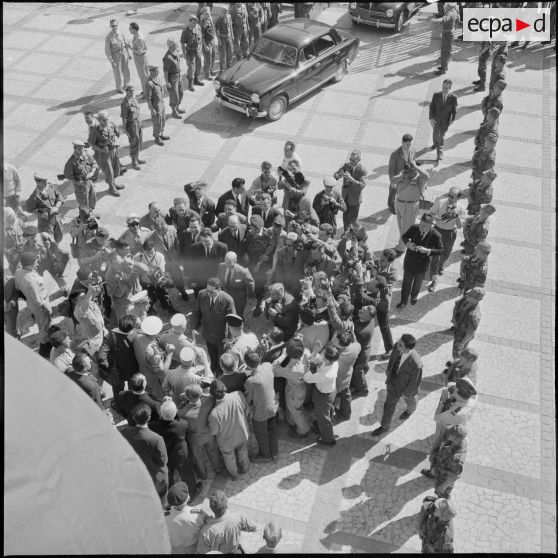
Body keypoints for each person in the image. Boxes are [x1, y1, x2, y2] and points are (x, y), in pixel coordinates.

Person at [149, 398, 202, 501]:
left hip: (164, 457)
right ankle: (192, 492)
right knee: (187, 475)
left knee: (168, 477)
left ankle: (173, 495)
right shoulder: (182, 424)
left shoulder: (153, 426)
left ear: (161, 413)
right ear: (175, 412)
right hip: (180, 456)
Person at [372, 334, 423, 436]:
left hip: (405, 388)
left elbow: (415, 382)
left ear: (407, 348)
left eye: (400, 345)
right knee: (388, 406)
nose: (397, 345)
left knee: (411, 400)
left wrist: (407, 393)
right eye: (399, 342)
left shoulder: (416, 364)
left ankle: (410, 410)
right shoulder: (397, 347)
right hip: (393, 385)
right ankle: (385, 426)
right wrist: (388, 369)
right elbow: (393, 358)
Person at [121, 403, 168, 506]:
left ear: (133, 417)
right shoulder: (156, 438)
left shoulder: (124, 432)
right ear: (149, 418)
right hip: (154, 476)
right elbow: (163, 461)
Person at [397, 214, 443, 308]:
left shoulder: (436, 235)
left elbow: (441, 250)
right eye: (421, 224)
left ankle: (414, 297)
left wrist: (428, 251)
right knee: (406, 283)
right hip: (409, 261)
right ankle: (403, 301)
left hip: (422, 265)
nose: (421, 227)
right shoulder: (414, 227)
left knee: (417, 284)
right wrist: (408, 244)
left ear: (431, 226)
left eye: (424, 226)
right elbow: (404, 236)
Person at [208, 379, 250, 480]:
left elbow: (214, 431)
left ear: (212, 395)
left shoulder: (213, 414)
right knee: (243, 451)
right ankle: (245, 468)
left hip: (227, 441)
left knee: (229, 458)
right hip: (242, 433)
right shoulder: (238, 394)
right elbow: (247, 411)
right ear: (224, 388)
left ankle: (234, 475)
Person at [191, 277, 236, 372]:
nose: (208, 294)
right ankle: (213, 366)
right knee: (211, 353)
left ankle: (220, 370)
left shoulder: (227, 300)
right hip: (207, 332)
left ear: (219, 289)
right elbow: (196, 312)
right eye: (207, 291)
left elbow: (232, 320)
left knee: (221, 354)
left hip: (221, 336)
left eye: (211, 292)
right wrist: (194, 327)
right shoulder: (201, 294)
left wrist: (230, 338)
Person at [179, 384, 223, 479]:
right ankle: (218, 468)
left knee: (198, 456)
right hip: (208, 433)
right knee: (213, 451)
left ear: (187, 396)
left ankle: (203, 475)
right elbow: (211, 396)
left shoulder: (183, 412)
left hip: (195, 438)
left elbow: (178, 414)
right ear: (201, 394)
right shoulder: (209, 401)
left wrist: (183, 403)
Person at [427, 187, 466, 293]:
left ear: (458, 198)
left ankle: (441, 266)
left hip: (450, 233)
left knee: (446, 253)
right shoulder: (440, 202)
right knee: (435, 255)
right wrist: (434, 218)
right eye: (449, 195)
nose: (449, 198)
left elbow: (459, 226)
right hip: (437, 230)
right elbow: (430, 214)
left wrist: (456, 216)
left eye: (452, 196)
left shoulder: (461, 208)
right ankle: (433, 279)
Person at [15, 252, 52, 357]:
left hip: (30, 301)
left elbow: (18, 287)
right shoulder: (32, 280)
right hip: (40, 306)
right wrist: (48, 311)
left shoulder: (19, 272)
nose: (37, 263)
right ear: (29, 264)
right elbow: (38, 301)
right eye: (35, 261)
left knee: (41, 322)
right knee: (44, 327)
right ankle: (44, 350)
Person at [273, 338, 312, 438]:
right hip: (301, 387)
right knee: (297, 407)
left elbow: (274, 370)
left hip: (294, 391)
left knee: (296, 411)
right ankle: (292, 421)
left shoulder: (292, 369)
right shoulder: (306, 352)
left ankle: (303, 430)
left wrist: (283, 355)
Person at [244, 352, 278, 461]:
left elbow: (248, 399)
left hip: (260, 412)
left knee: (261, 435)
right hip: (272, 406)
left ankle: (265, 455)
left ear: (247, 364)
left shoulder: (251, 381)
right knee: (272, 430)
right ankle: (275, 453)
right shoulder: (267, 366)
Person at [98, 314, 140, 401]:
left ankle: (119, 404)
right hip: (133, 369)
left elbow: (101, 357)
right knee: (133, 390)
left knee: (117, 390)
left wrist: (108, 368)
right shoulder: (136, 336)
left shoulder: (110, 336)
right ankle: (132, 403)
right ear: (132, 328)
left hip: (117, 370)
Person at [421, 424, 467, 499]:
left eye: (450, 435)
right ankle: (432, 473)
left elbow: (455, 476)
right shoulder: (453, 434)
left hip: (445, 475)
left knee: (442, 492)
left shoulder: (458, 458)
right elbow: (440, 442)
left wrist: (443, 486)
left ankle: (441, 500)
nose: (447, 435)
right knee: (435, 469)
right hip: (440, 464)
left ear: (456, 439)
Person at [135, 316, 175, 401]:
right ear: (156, 333)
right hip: (155, 384)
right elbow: (162, 372)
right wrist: (169, 354)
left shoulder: (137, 337)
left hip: (143, 374)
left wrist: (169, 325)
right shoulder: (154, 353)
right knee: (161, 401)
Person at [134, 238, 177, 314]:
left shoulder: (159, 256)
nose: (150, 254)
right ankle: (152, 314)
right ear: (143, 250)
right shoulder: (138, 257)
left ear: (155, 248)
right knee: (149, 302)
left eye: (152, 252)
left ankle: (170, 309)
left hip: (158, 283)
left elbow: (162, 271)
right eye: (147, 252)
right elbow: (136, 272)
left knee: (165, 297)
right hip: (146, 284)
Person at [89, 110, 125, 196]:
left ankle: (114, 183)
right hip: (104, 155)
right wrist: (101, 149)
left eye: (107, 119)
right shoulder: (96, 131)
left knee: (116, 170)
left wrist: (116, 139)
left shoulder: (112, 125)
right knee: (109, 172)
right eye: (103, 120)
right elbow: (91, 143)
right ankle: (111, 187)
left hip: (114, 152)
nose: (106, 121)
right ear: (99, 120)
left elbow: (118, 134)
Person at [165, 482, 208, 553]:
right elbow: (206, 526)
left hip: (174, 549)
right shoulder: (197, 514)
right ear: (188, 498)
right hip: (192, 547)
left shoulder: (164, 515)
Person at [432, 377, 478, 444]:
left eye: (455, 390)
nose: (453, 392)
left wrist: (443, 401)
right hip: (460, 422)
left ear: (460, 396)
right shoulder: (473, 397)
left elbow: (437, 418)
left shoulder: (455, 413)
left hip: (448, 429)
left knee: (439, 438)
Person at [24, 173, 64, 242]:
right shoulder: (34, 197)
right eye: (44, 181)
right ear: (37, 181)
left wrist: (56, 207)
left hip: (56, 219)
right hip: (45, 224)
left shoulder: (51, 186)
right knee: (47, 242)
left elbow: (60, 197)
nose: (46, 183)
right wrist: (40, 215)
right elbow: (28, 209)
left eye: (46, 181)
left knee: (59, 237)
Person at [333, 150, 367, 230]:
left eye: (354, 160)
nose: (351, 162)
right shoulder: (346, 166)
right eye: (350, 159)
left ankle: (358, 232)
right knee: (345, 216)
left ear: (359, 160)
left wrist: (351, 179)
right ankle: (346, 233)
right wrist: (338, 175)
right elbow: (336, 175)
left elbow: (362, 185)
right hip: (345, 196)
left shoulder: (362, 170)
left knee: (353, 220)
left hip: (355, 199)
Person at [63, 140, 99, 213]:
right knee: (83, 202)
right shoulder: (71, 162)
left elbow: (94, 162)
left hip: (89, 181)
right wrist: (77, 182)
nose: (81, 150)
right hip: (80, 185)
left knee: (92, 198)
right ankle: (84, 217)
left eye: (82, 148)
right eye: (79, 149)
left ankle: (90, 212)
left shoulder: (85, 154)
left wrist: (92, 172)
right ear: (75, 148)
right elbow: (68, 175)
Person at [217, 252, 254, 318]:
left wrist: (251, 296)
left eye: (229, 262)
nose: (227, 264)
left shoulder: (243, 271)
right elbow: (219, 279)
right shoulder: (221, 266)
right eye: (226, 261)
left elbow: (250, 284)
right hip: (225, 297)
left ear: (235, 261)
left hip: (238, 299)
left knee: (237, 316)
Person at [333, 331, 360, 420]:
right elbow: (356, 342)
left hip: (336, 380)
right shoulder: (356, 347)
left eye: (335, 340)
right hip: (347, 375)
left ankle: (332, 415)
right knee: (346, 395)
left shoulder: (337, 356)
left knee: (331, 399)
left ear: (340, 345)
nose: (334, 339)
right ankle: (346, 414)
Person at [451, 287, 484, 359]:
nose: (467, 295)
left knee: (457, 353)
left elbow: (470, 333)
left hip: (463, 336)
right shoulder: (466, 299)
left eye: (470, 295)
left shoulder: (474, 316)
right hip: (459, 327)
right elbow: (457, 304)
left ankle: (457, 365)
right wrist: (454, 317)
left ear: (475, 300)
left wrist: (462, 343)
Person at [429, 79, 457, 161]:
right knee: (435, 133)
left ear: (450, 88)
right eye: (443, 87)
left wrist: (453, 119)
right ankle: (435, 143)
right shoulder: (436, 95)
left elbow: (454, 110)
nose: (444, 90)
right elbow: (432, 107)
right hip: (436, 120)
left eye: (447, 88)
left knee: (441, 136)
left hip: (445, 121)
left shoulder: (453, 98)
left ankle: (439, 154)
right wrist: (431, 118)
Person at [388, 134, 417, 215]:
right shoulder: (395, 154)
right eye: (407, 144)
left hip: (407, 178)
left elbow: (413, 161)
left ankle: (399, 205)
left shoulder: (413, 150)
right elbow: (391, 169)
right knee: (393, 193)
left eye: (410, 144)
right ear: (403, 143)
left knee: (402, 194)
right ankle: (390, 205)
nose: (409, 146)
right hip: (397, 178)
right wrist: (392, 181)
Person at [120, 83, 145, 170]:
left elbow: (137, 111)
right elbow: (124, 118)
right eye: (130, 91)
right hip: (131, 125)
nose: (132, 92)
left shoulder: (133, 99)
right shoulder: (125, 103)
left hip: (137, 122)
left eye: (133, 90)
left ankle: (137, 158)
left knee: (139, 141)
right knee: (134, 142)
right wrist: (125, 130)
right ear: (126, 92)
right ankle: (134, 162)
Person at [105, 18, 131, 93]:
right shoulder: (108, 37)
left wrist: (128, 54)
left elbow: (125, 43)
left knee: (126, 70)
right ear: (110, 26)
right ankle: (119, 88)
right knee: (117, 72)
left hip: (123, 53)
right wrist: (111, 61)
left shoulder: (120, 33)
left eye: (115, 25)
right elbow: (107, 50)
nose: (114, 27)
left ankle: (127, 84)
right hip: (115, 55)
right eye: (112, 26)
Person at [145, 65, 169, 146]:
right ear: (151, 72)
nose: (158, 72)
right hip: (156, 105)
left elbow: (161, 87)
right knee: (157, 122)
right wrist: (152, 109)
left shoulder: (157, 79)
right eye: (156, 71)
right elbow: (148, 99)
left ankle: (161, 134)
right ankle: (156, 137)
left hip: (161, 103)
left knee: (163, 119)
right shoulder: (149, 83)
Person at [433, 3, 459, 75]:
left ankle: (443, 69)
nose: (446, 5)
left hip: (447, 34)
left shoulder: (449, 12)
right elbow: (458, 20)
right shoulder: (456, 10)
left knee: (444, 53)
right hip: (450, 32)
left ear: (449, 5)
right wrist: (454, 28)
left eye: (447, 4)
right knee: (447, 51)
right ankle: (445, 66)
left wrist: (436, 20)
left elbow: (444, 19)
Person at [181, 15, 205, 91]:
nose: (195, 24)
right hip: (190, 51)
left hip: (198, 50)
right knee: (191, 68)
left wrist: (201, 47)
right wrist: (184, 53)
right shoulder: (185, 31)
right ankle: (190, 84)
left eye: (196, 22)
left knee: (198, 65)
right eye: (193, 22)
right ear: (190, 21)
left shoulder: (198, 27)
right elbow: (182, 43)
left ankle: (196, 79)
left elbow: (201, 37)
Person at [163, 38, 185, 119]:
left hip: (178, 75)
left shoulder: (175, 52)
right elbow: (165, 71)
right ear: (172, 46)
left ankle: (177, 107)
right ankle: (174, 111)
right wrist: (167, 82)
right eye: (175, 43)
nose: (177, 44)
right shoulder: (168, 57)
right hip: (172, 78)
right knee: (174, 95)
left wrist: (180, 77)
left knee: (181, 93)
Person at [129, 21, 149, 96]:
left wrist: (129, 47)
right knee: (144, 75)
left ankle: (146, 93)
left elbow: (139, 52)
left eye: (130, 29)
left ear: (134, 29)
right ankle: (145, 91)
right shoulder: (137, 35)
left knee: (143, 76)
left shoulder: (139, 38)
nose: (129, 30)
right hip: (141, 57)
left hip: (140, 58)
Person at [215, 5, 234, 72]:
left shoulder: (229, 17)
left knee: (230, 51)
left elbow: (230, 26)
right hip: (222, 38)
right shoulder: (218, 19)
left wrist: (232, 36)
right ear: (222, 12)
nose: (226, 13)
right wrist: (219, 40)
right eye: (225, 12)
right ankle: (222, 68)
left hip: (229, 37)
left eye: (227, 12)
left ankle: (229, 64)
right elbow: (217, 31)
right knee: (222, 54)